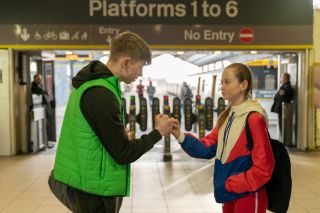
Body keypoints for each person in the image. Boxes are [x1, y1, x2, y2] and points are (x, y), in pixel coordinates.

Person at [48, 32, 174, 213]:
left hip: (85, 181)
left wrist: (119, 135)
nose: (140, 74)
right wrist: (158, 132)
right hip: (94, 192)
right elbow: (124, 153)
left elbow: (90, 134)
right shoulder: (101, 94)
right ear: (126, 63)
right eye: (140, 68)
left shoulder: (92, 85)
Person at [170, 63, 275, 213]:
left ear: (243, 84)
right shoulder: (226, 116)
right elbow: (206, 149)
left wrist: (234, 183)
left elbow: (264, 167)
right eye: (221, 82)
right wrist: (179, 135)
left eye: (227, 82)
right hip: (228, 193)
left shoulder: (254, 118)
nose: (222, 87)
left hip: (249, 195)